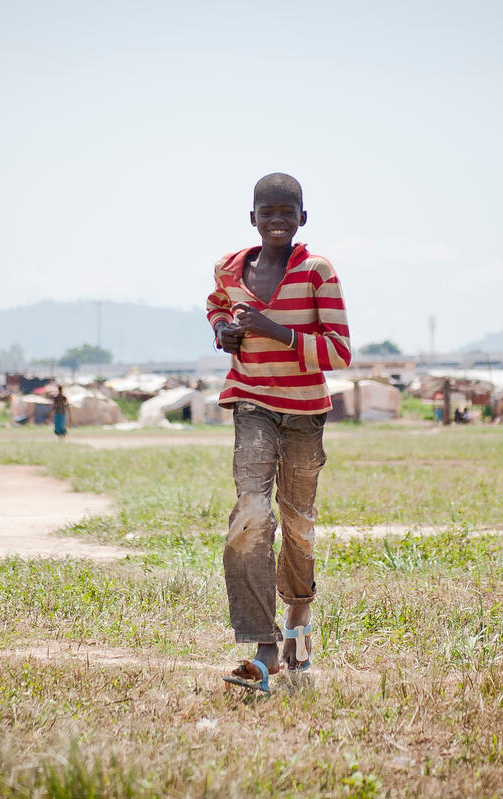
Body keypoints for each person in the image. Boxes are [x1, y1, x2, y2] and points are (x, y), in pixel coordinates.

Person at [207, 173, 351, 693]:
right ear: (252, 217)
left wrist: (275, 331)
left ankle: (299, 619)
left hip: (305, 414)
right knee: (251, 514)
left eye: (287, 212)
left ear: (302, 218)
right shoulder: (229, 268)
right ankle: (263, 645)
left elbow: (339, 351)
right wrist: (223, 332)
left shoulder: (317, 271)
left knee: (298, 523)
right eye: (267, 212)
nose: (276, 220)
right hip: (251, 404)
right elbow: (217, 307)